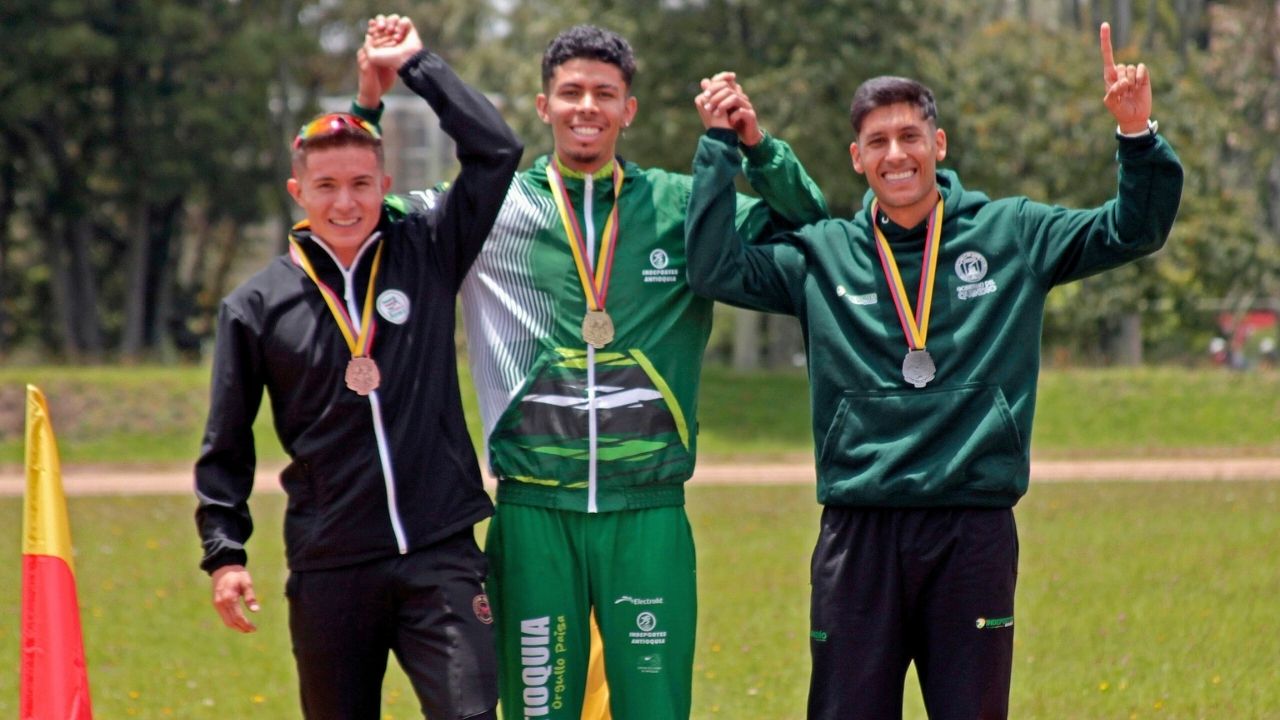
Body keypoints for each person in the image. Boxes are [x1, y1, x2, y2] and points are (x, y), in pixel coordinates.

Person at [685, 23, 1183, 720]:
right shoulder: (822, 254)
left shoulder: (1012, 234)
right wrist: (719, 146)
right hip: (859, 533)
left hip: (971, 531)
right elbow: (713, 268)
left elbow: (1132, 229)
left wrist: (1136, 134)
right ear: (858, 158)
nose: (896, 154)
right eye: (878, 142)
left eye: (910, 136)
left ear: (938, 145)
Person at [354, 23, 828, 720]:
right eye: (570, 92)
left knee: (654, 711)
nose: (587, 106)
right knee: (538, 711)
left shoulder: (677, 204)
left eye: (604, 94)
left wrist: (757, 147)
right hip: (533, 511)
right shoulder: (493, 208)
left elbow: (810, 226)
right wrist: (366, 106)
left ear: (627, 110)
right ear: (543, 106)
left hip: (649, 512)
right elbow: (358, 213)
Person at [194, 16, 521, 720]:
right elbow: (227, 441)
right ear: (298, 191)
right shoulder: (256, 306)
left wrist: (417, 66)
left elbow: (497, 151)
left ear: (385, 184)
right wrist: (225, 553)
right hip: (331, 564)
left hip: (440, 552)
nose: (345, 202)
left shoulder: (428, 250)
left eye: (361, 184)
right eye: (327, 186)